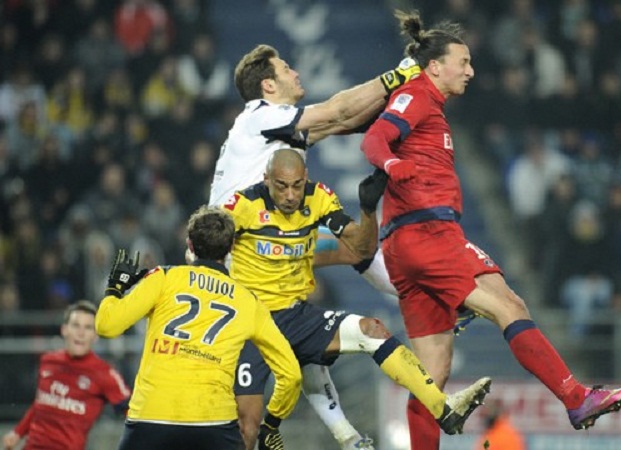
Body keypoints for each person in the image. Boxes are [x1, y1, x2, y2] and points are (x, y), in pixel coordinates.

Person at [360, 10, 621, 450]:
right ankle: (576, 397)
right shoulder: (415, 95)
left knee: (431, 377)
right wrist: (393, 164)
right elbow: (374, 139)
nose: (471, 71)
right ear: (436, 66)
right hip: (428, 233)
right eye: (464, 62)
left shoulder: (430, 106)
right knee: (510, 304)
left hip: (407, 243)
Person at [208, 43, 420, 449]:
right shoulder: (260, 116)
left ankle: (348, 436)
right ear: (268, 84)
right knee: (246, 418)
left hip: (261, 245)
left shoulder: (275, 132)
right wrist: (400, 74)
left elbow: (344, 121)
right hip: (239, 257)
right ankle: (421, 297)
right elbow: (338, 110)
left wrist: (396, 97)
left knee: (353, 251)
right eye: (286, 68)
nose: (296, 72)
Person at [222, 148, 492, 450]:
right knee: (247, 429)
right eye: (281, 186)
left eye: (296, 185)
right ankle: (348, 440)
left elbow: (362, 249)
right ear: (266, 180)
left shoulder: (319, 197)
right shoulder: (242, 205)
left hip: (296, 316)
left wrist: (366, 209)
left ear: (306, 179)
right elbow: (201, 245)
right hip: (251, 324)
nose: (289, 195)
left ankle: (443, 408)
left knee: (372, 330)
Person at [94, 207, 301, 450]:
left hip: (151, 415)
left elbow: (106, 326)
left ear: (190, 245)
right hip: (214, 421)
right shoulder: (249, 302)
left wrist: (114, 289)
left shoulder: (164, 277)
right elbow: (291, 375)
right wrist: (273, 421)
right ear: (232, 246)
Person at [2, 301, 131, 450]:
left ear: (95, 336)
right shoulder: (48, 361)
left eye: (88, 327)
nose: (81, 333)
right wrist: (17, 433)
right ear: (64, 329)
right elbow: (39, 406)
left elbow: (130, 410)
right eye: (76, 325)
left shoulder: (104, 373)